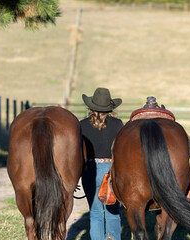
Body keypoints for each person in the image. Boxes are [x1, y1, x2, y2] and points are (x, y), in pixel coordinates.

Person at [80, 87, 123, 240]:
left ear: (91, 106)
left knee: (95, 213)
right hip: (111, 170)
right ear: (110, 107)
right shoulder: (118, 124)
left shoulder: (82, 125)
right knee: (112, 212)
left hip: (89, 170)